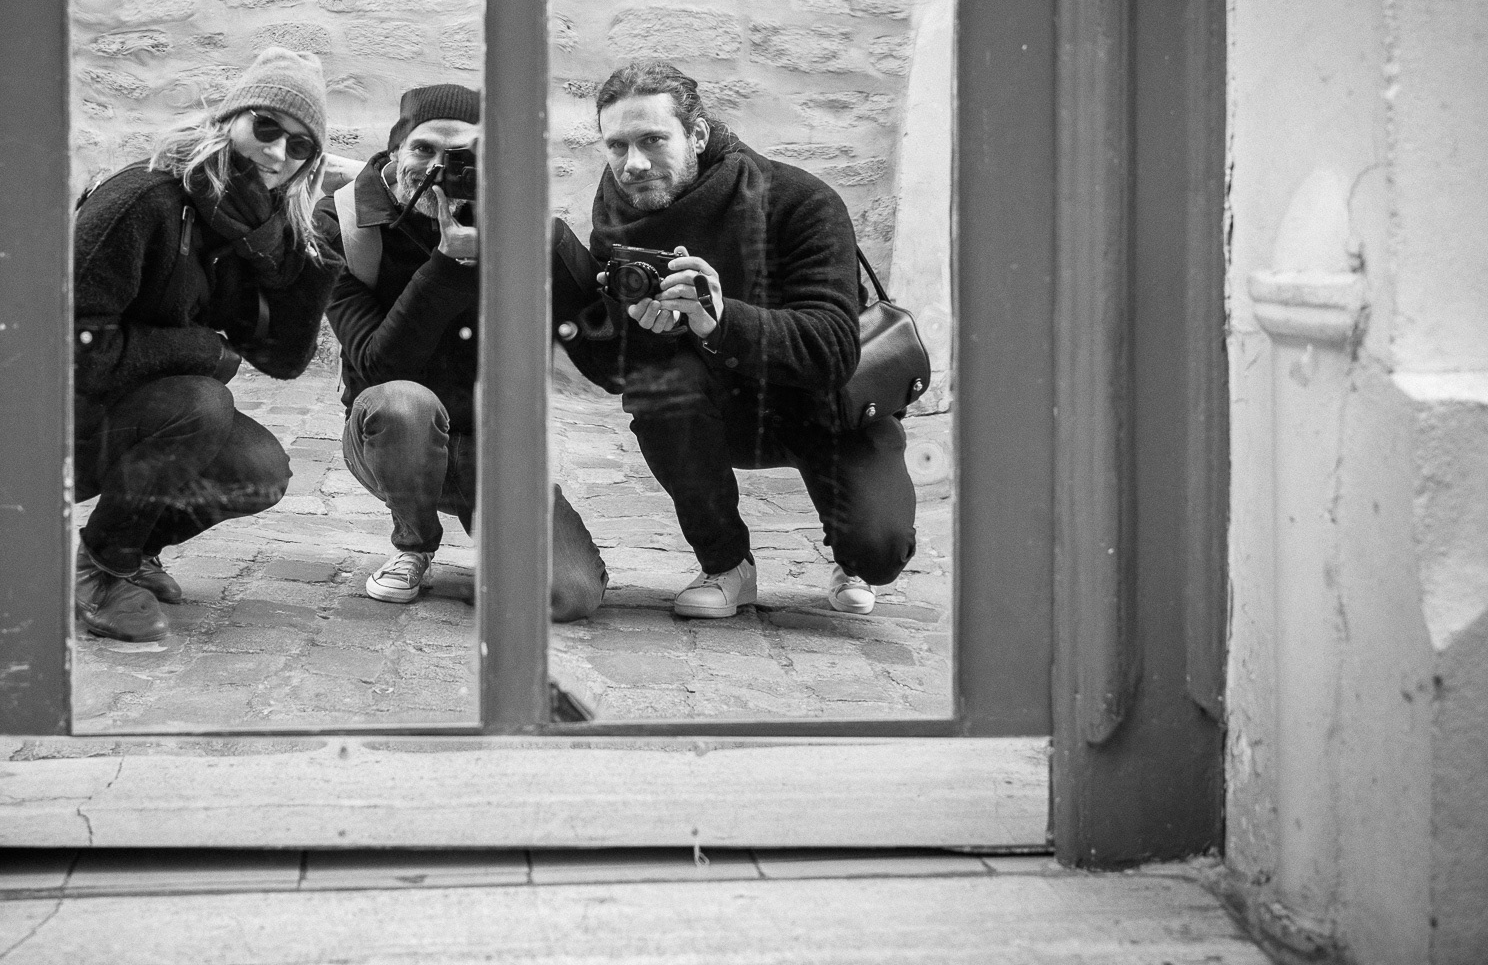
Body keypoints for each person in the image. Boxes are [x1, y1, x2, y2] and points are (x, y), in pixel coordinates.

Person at [552, 59, 916, 618]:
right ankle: (727, 566)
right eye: (617, 146)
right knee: (657, 387)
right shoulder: (619, 215)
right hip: (722, 407)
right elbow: (625, 369)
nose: (634, 163)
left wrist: (722, 321)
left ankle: (852, 557)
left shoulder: (799, 200)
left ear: (697, 135)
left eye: (652, 140)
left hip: (825, 406)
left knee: (878, 550)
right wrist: (642, 331)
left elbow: (834, 349)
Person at [72, 46, 340, 642]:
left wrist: (312, 251)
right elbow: (73, 345)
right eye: (266, 127)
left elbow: (282, 359)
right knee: (203, 403)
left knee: (260, 469)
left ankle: (134, 547)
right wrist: (203, 352)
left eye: (300, 146)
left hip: (142, 408)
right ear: (229, 119)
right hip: (59, 414)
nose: (278, 153)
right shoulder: (144, 199)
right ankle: (102, 569)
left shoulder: (249, 222)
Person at [316, 84, 608, 622]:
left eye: (461, 156)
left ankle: (506, 536)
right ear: (396, 149)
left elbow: (599, 340)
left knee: (567, 594)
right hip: (390, 436)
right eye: (423, 149)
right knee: (403, 403)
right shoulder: (345, 224)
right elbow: (379, 367)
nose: (438, 168)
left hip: (495, 451)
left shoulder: (519, 224)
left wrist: (542, 236)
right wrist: (448, 266)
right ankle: (414, 542)